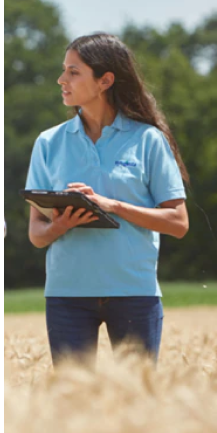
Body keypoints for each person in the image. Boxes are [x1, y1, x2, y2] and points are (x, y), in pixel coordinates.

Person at [26, 33, 189, 369]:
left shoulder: (148, 140)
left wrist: (112, 206)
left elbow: (179, 223)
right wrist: (60, 225)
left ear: (105, 81)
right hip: (66, 294)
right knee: (74, 402)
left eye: (73, 72)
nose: (61, 80)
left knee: (137, 401)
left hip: (134, 292)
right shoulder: (48, 143)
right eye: (64, 71)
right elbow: (36, 235)